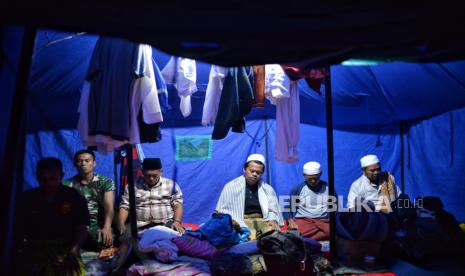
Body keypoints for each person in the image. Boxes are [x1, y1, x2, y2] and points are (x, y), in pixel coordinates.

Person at [18, 157, 90, 275]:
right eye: (43, 179)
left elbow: (81, 229)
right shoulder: (27, 198)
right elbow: (18, 230)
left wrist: (73, 252)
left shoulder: (73, 197)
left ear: (61, 175)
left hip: (66, 250)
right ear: (37, 176)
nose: (48, 183)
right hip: (34, 249)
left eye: (52, 178)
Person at [216, 153, 283, 239]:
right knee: (249, 238)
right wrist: (233, 222)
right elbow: (222, 210)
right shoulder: (231, 186)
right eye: (252, 171)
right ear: (244, 169)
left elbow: (273, 210)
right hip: (241, 221)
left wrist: (273, 220)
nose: (255, 174)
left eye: (258, 172)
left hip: (263, 220)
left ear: (262, 173)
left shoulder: (268, 189)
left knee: (275, 237)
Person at [118, 157, 185, 235]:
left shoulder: (171, 185)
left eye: (154, 175)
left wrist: (177, 221)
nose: (151, 178)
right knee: (127, 241)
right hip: (139, 226)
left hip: (166, 224)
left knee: (179, 239)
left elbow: (177, 205)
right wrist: (121, 224)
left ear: (161, 172)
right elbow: (125, 206)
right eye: (148, 175)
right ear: (142, 172)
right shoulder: (132, 186)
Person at [63, 149, 115, 249]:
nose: (83, 164)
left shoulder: (105, 181)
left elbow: (109, 206)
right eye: (80, 161)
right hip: (77, 226)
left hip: (98, 226)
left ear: (94, 163)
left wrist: (107, 227)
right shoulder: (67, 184)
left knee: (106, 241)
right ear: (75, 164)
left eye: (87, 160)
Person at [287, 161, 329, 240]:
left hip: (324, 221)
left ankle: (307, 239)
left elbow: (335, 207)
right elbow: (287, 208)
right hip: (304, 221)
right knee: (296, 231)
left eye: (315, 178)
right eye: (310, 179)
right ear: (304, 176)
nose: (313, 181)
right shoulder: (298, 189)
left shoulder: (328, 188)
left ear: (320, 174)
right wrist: (291, 222)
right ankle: (320, 235)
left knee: (334, 230)